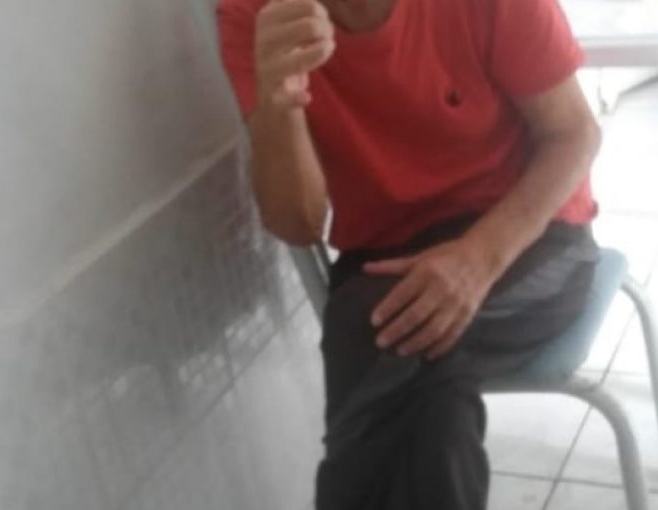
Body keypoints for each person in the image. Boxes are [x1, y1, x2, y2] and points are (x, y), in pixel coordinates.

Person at [217, 0, 601, 508]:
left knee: (375, 327)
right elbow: (299, 224)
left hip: (530, 237)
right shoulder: (257, 15)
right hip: (386, 254)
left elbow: (574, 133)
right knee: (428, 400)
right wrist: (279, 103)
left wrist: (477, 260)